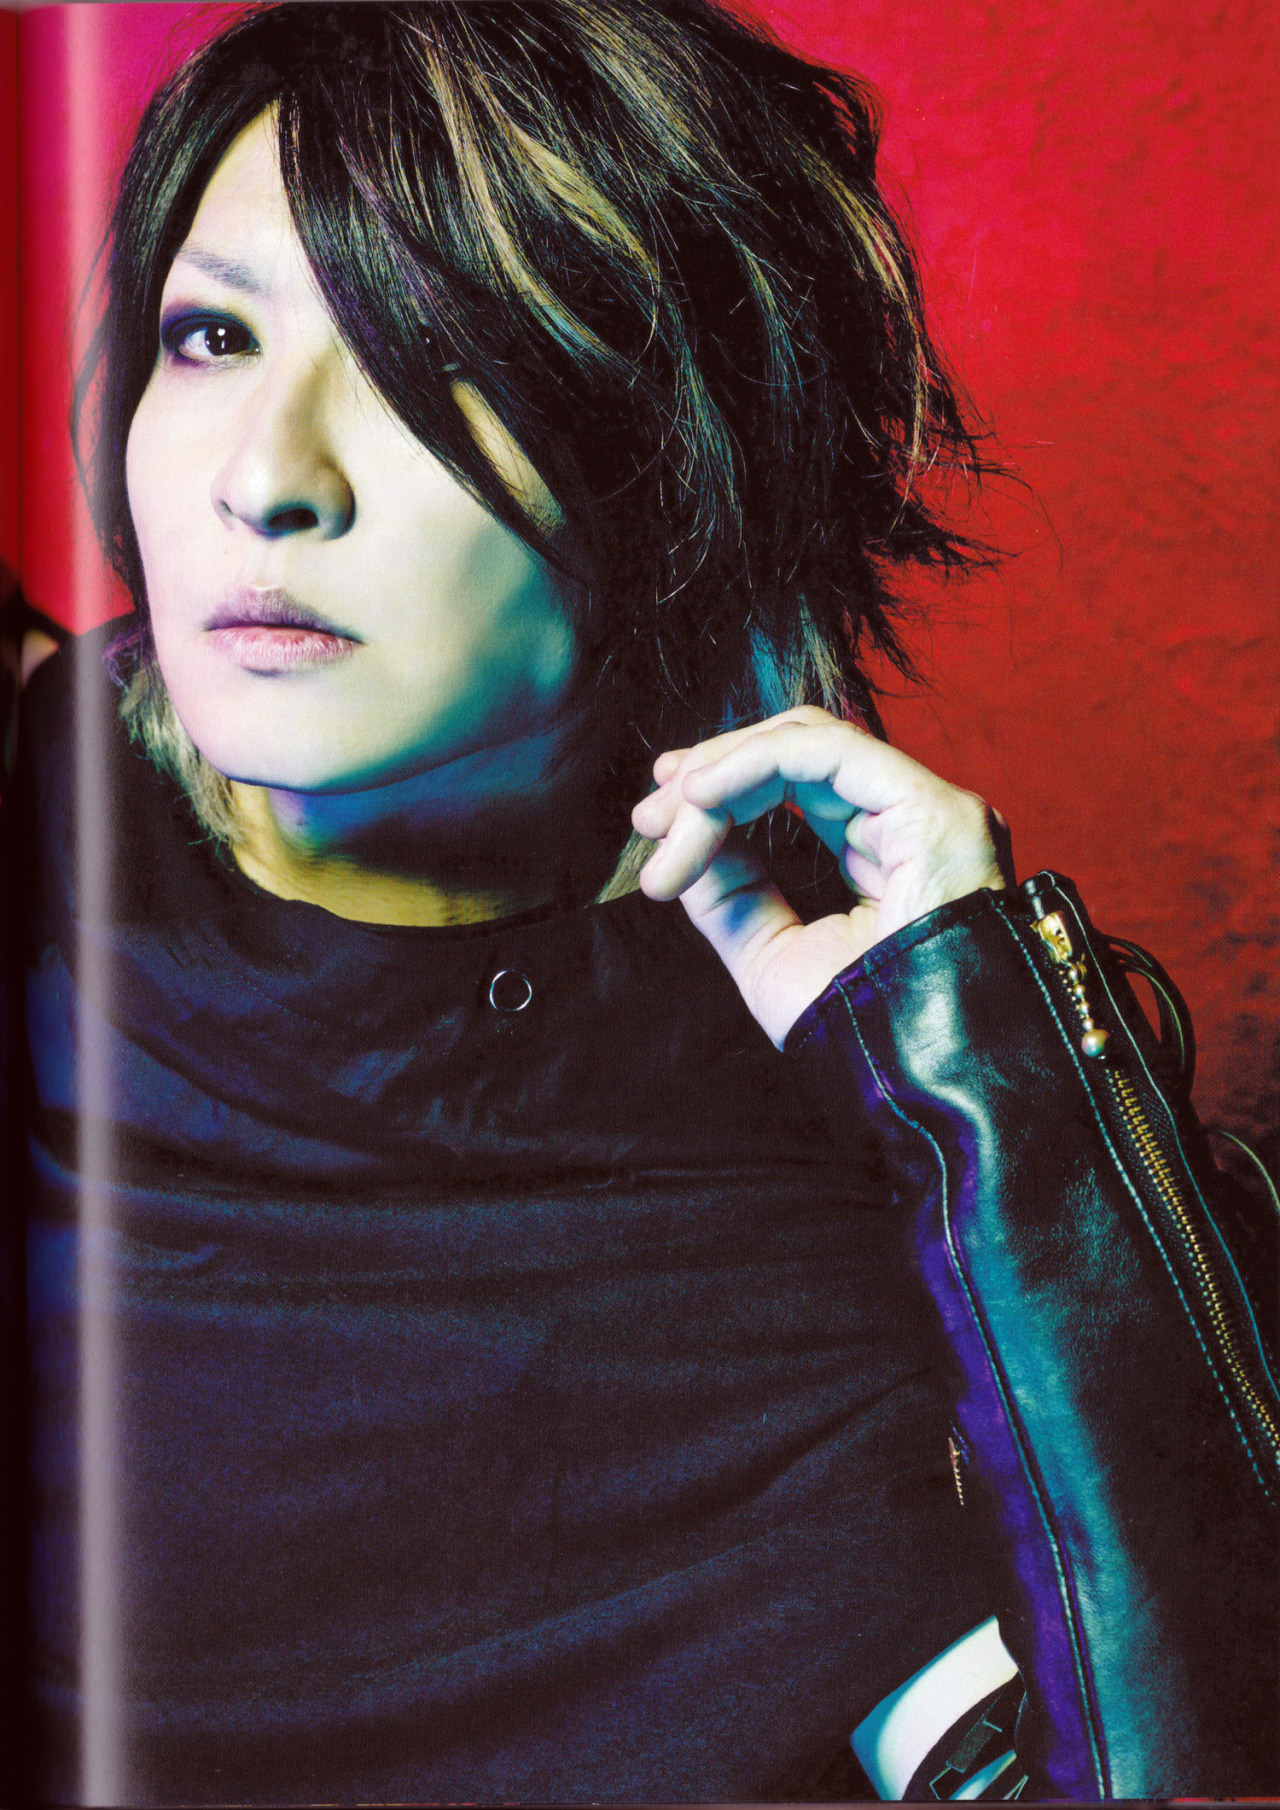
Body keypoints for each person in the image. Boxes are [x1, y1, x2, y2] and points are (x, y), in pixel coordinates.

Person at [8, 2, 1275, 1803]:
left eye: (438, 364)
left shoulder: (836, 1221)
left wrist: (993, 1081)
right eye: (212, 335)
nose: (265, 478)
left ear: (676, 466)